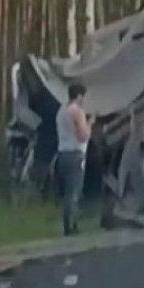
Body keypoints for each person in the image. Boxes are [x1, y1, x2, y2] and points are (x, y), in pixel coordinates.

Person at [55, 83, 94, 236]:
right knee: (74, 192)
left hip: (62, 153)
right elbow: (83, 136)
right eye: (83, 97)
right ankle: (71, 226)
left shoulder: (61, 110)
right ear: (78, 96)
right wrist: (90, 124)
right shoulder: (77, 111)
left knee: (67, 193)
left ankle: (68, 224)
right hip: (75, 153)